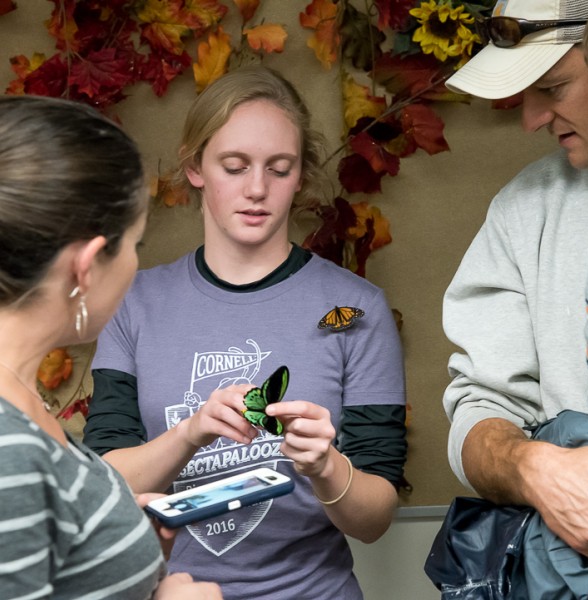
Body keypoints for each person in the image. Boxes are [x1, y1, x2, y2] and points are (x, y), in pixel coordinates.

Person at [82, 66, 407, 599]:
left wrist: (325, 467)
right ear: (194, 168)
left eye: (280, 169)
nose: (257, 190)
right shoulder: (133, 303)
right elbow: (109, 486)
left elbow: (373, 521)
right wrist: (191, 433)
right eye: (235, 167)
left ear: (301, 175)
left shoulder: (356, 309)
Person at [0, 95, 222, 599]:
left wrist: (113, 546)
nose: (135, 268)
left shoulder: (21, 401)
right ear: (87, 264)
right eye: (135, 246)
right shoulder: (7, 449)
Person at [441, 0, 588, 564]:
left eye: (552, 88)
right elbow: (478, 408)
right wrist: (536, 468)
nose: (529, 119)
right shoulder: (523, 210)